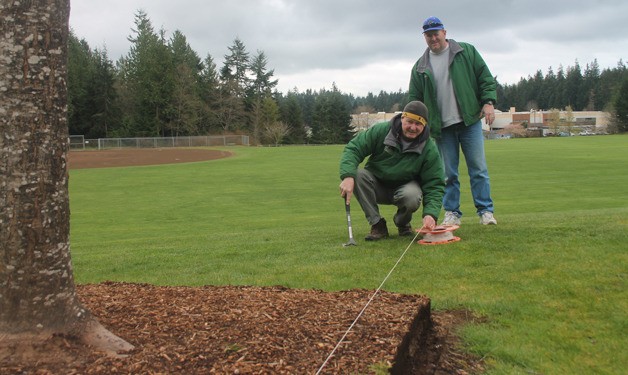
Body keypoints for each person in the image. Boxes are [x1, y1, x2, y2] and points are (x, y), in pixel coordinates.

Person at [408, 16, 498, 226]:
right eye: (428, 35)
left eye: (436, 34)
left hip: (469, 122)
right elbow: (414, 99)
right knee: (448, 174)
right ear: (424, 37)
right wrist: (416, 125)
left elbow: (485, 77)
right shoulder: (420, 67)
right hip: (441, 128)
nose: (433, 39)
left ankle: (485, 211)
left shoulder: (466, 52)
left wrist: (488, 102)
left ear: (444, 33)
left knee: (479, 169)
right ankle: (452, 213)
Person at [339, 101, 445, 241]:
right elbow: (354, 149)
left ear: (424, 125)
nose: (413, 127)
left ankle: (403, 224)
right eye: (409, 122)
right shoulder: (381, 131)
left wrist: (431, 214)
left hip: (406, 189)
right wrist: (347, 176)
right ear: (402, 118)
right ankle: (377, 225)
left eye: (418, 124)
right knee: (356, 175)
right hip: (376, 185)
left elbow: (435, 183)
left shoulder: (429, 148)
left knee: (412, 195)